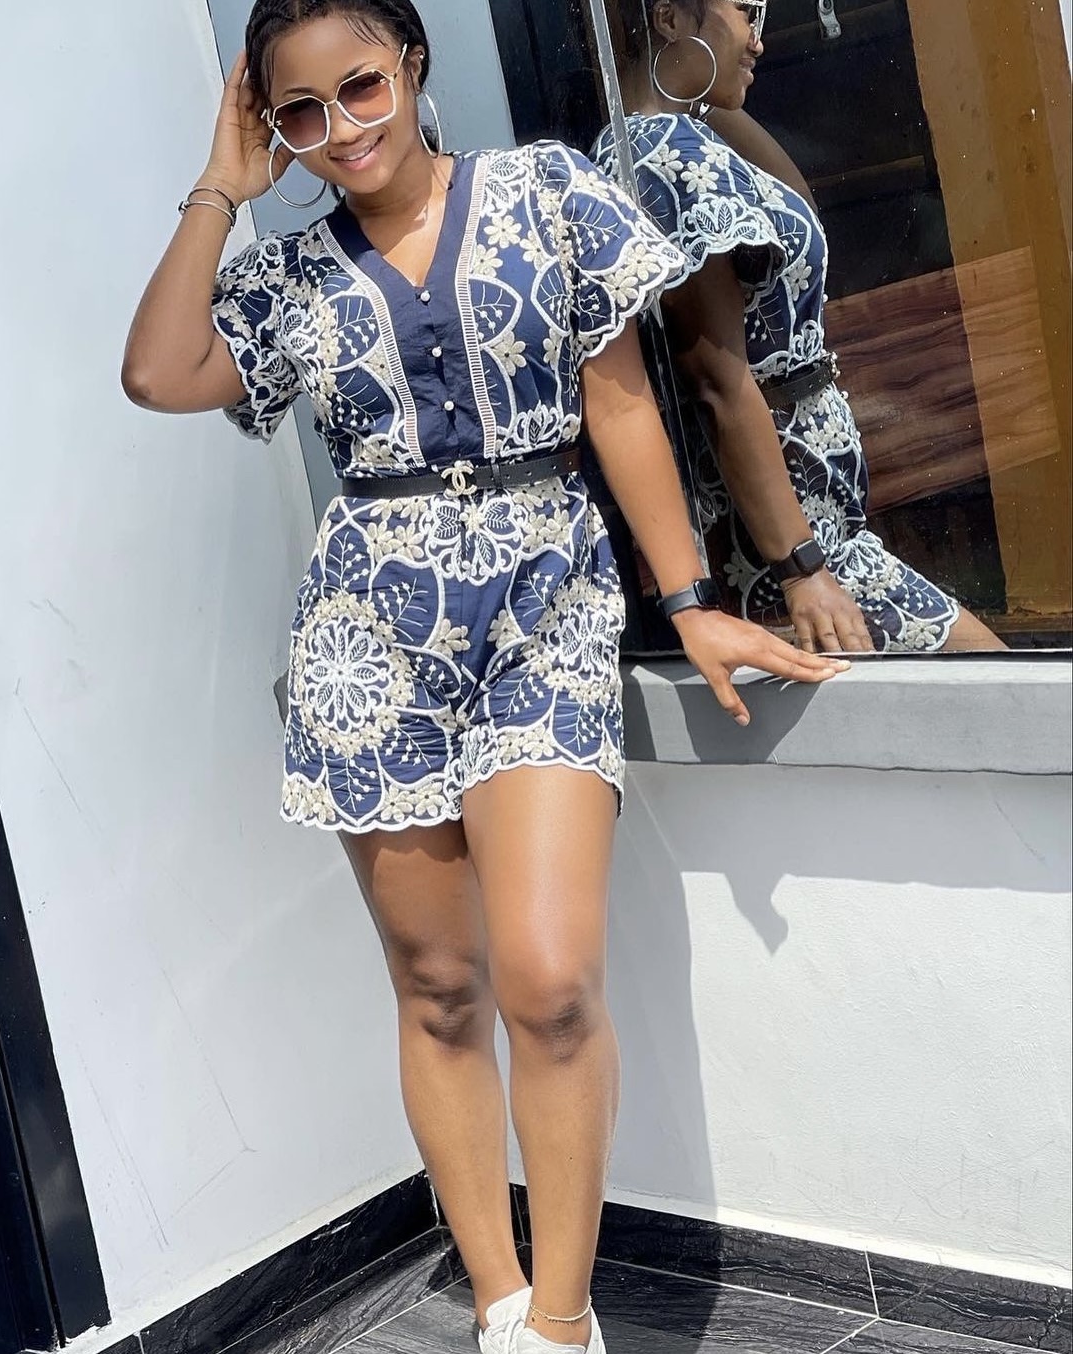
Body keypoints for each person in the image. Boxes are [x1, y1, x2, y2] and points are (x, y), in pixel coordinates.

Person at [122, 3, 846, 1349]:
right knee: (440, 989)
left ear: (412, 66)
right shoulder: (289, 277)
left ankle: (562, 1320)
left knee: (550, 981)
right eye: (302, 112)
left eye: (361, 88)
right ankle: (499, 1300)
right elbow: (159, 373)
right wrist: (222, 188)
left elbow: (621, 402)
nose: (342, 130)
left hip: (543, 607)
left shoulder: (546, 193)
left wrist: (689, 601)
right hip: (368, 642)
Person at [592, 0, 1006, 653]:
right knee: (995, 680)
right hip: (790, 541)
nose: (759, 39)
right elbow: (716, 378)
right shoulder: (663, 158)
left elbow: (798, 213)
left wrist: (704, 90)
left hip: (818, 524)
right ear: (669, 18)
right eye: (745, 11)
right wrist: (801, 570)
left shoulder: (681, 138)